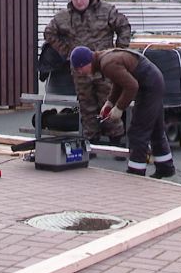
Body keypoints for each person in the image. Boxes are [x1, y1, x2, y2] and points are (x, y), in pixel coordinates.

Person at [44, 0, 131, 144]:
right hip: (80, 71)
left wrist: (118, 53)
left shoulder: (106, 11)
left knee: (108, 102)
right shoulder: (64, 17)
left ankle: (116, 140)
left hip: (105, 67)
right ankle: (91, 141)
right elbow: (49, 33)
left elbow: (124, 26)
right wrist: (67, 52)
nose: (78, 2)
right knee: (86, 106)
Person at [69, 45, 175, 178]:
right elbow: (119, 82)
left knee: (138, 131)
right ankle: (165, 167)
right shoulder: (104, 59)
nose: (80, 72)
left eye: (79, 68)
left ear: (86, 62)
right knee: (155, 129)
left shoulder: (107, 64)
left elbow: (132, 86)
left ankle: (136, 171)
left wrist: (119, 108)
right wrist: (110, 103)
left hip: (149, 86)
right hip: (153, 81)